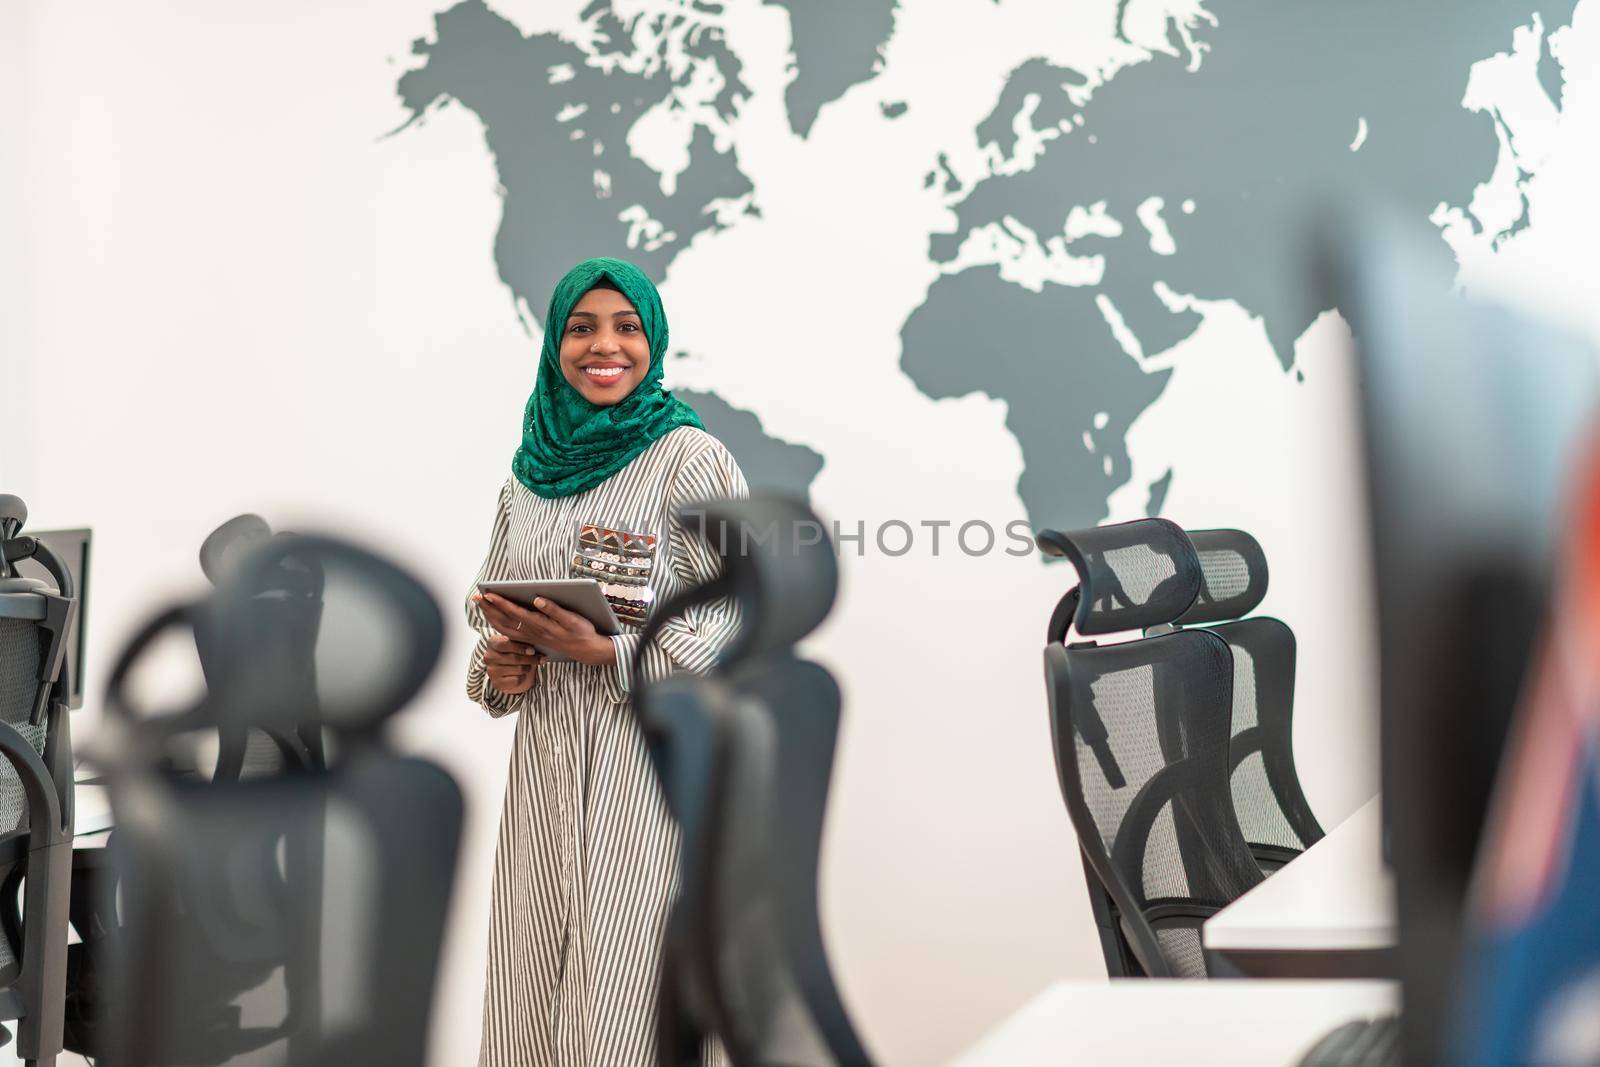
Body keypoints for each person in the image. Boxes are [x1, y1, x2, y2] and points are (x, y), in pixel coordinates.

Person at [465, 257, 747, 1066]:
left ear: (652, 341)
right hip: (546, 765)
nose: (604, 346)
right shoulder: (528, 476)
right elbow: (490, 592)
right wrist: (501, 660)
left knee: (629, 990)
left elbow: (739, 614)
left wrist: (613, 652)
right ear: (556, 340)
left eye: (626, 327)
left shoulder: (688, 458)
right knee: (533, 980)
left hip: (649, 767)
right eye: (582, 327)